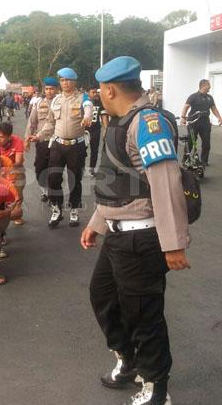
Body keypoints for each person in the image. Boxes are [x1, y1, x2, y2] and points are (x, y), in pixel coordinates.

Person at [82, 56, 190, 405]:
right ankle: (127, 359)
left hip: (141, 238)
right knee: (103, 297)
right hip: (117, 234)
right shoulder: (122, 121)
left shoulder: (148, 122)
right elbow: (121, 183)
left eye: (100, 89)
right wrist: (97, 223)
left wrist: (173, 243)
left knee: (143, 314)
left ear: (110, 89)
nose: (99, 94)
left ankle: (156, 387)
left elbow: (165, 182)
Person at [30, 67, 93, 228]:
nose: (65, 83)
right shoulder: (57, 100)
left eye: (68, 80)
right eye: (63, 80)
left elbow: (88, 107)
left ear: (74, 81)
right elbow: (50, 123)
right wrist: (39, 136)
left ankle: (74, 210)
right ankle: (56, 209)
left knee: (75, 179)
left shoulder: (82, 97)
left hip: (76, 146)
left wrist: (87, 117)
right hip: (57, 145)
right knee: (53, 178)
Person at [26, 78, 58, 202]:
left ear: (56, 89)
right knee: (40, 167)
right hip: (42, 141)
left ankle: (53, 193)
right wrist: (27, 139)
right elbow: (32, 122)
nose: (49, 91)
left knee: (54, 169)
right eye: (47, 89)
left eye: (52, 89)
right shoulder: (39, 103)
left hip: (56, 141)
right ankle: (44, 190)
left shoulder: (60, 102)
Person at [180, 79, 222, 166]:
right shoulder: (193, 96)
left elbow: (213, 108)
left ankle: (204, 161)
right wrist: (183, 118)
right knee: (191, 141)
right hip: (194, 122)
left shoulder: (209, 97)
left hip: (205, 122)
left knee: (206, 142)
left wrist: (219, 117)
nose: (210, 87)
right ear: (203, 85)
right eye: (209, 85)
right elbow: (186, 107)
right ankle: (186, 158)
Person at [0, 122, 25, 225]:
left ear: (9, 137)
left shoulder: (17, 141)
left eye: (2, 137)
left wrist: (7, 169)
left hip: (15, 168)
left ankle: (16, 210)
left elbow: (19, 161)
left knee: (17, 193)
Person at [86, 87, 106, 176]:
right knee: (81, 150)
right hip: (85, 130)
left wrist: (106, 129)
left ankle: (92, 169)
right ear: (88, 93)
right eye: (92, 92)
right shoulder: (84, 103)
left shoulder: (100, 103)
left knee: (94, 150)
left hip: (96, 129)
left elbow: (104, 116)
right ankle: (79, 167)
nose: (95, 94)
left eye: (96, 92)